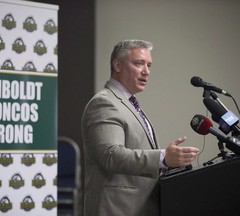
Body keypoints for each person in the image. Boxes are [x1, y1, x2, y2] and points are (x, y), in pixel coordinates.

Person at [81, 39, 199, 216]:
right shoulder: (104, 102)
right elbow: (111, 155)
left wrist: (169, 166)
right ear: (117, 65)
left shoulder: (128, 103)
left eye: (149, 65)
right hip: (117, 209)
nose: (146, 72)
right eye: (139, 63)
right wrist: (163, 158)